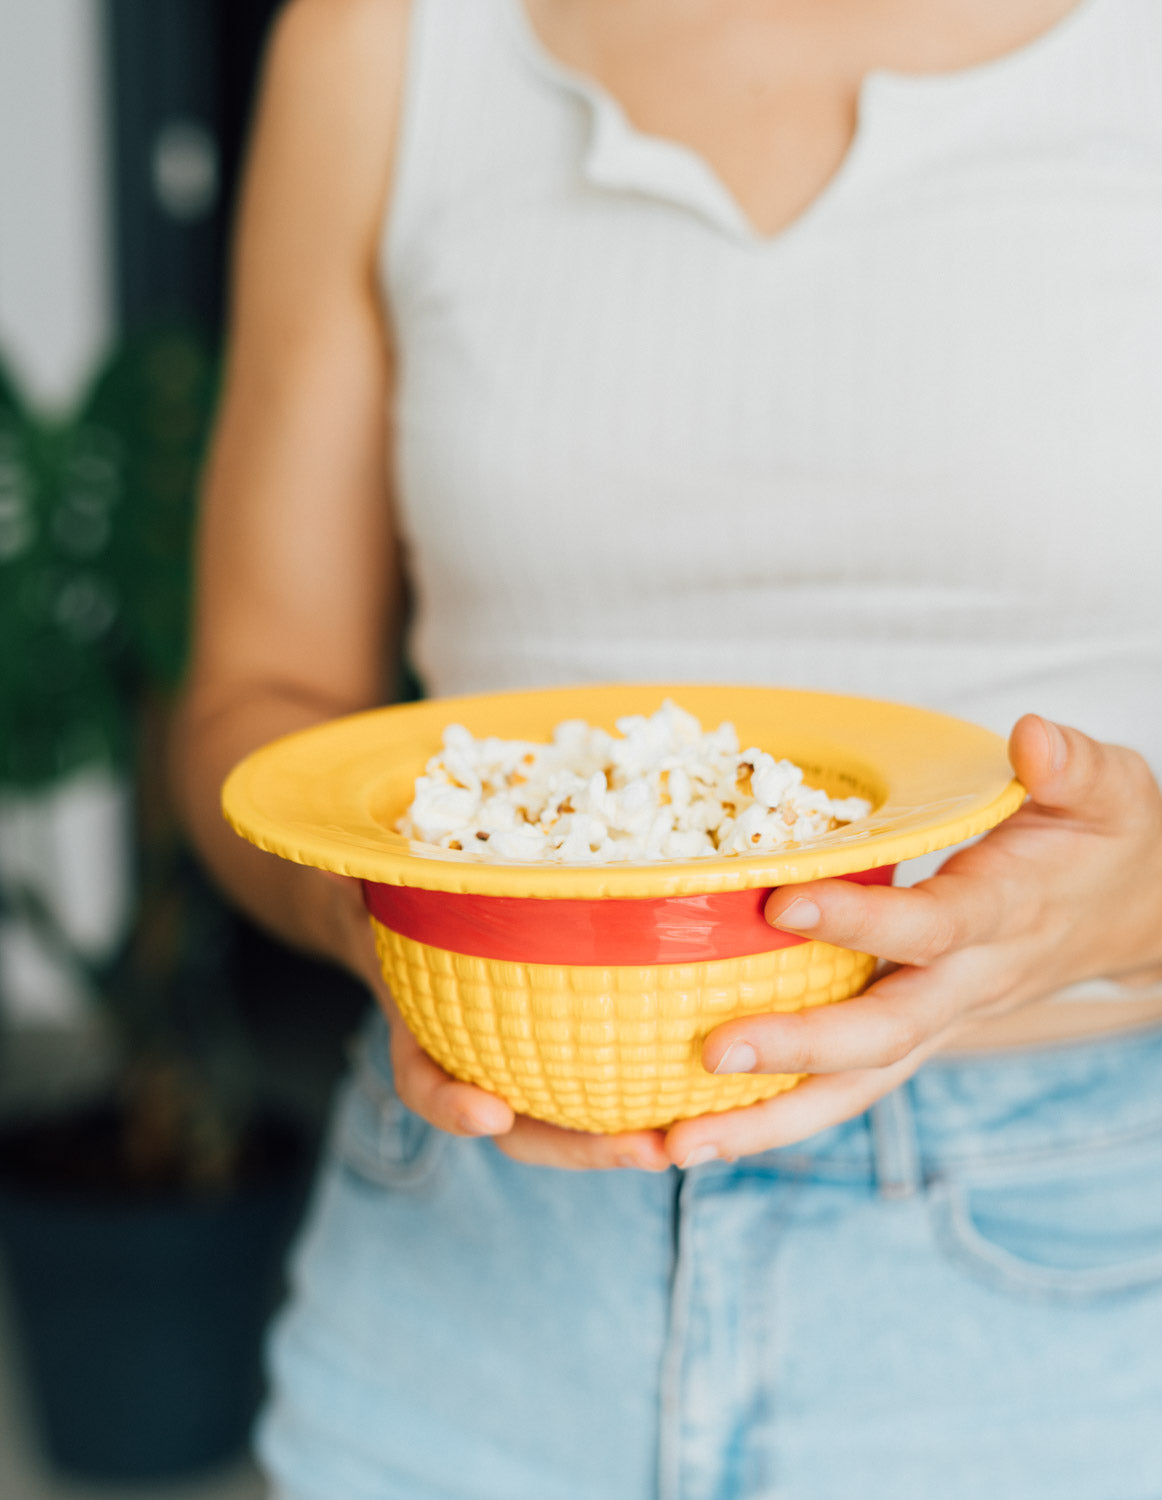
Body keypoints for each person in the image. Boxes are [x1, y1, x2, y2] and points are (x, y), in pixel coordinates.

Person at [173, 0, 1162, 1494]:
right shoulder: (384, 41)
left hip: (1069, 1252)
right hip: (468, 1242)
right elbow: (254, 702)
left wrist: (1137, 904)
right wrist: (390, 917)